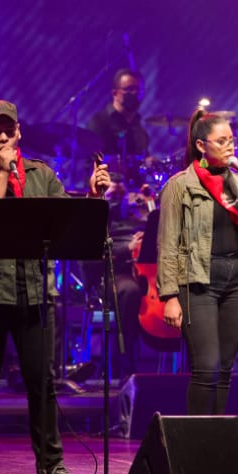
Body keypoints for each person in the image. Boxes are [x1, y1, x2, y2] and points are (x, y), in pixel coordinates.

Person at [0, 100, 112, 474]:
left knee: (42, 383)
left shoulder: (41, 173)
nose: (3, 136)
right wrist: (4, 173)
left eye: (9, 129)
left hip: (34, 291)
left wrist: (92, 198)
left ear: (19, 131)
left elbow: (69, 227)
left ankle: (51, 468)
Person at [155, 109, 238, 414]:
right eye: (222, 141)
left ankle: (218, 436)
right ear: (201, 145)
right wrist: (170, 296)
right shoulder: (180, 186)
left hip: (235, 285)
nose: (230, 146)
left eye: (232, 140)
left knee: (226, 369)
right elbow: (167, 244)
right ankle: (198, 438)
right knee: (207, 366)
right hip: (198, 285)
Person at [85, 67, 151, 379]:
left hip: (133, 224)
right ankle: (125, 370)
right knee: (128, 291)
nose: (135, 95)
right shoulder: (98, 125)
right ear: (115, 93)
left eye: (138, 90)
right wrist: (107, 190)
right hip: (115, 255)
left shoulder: (140, 130)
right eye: (129, 90)